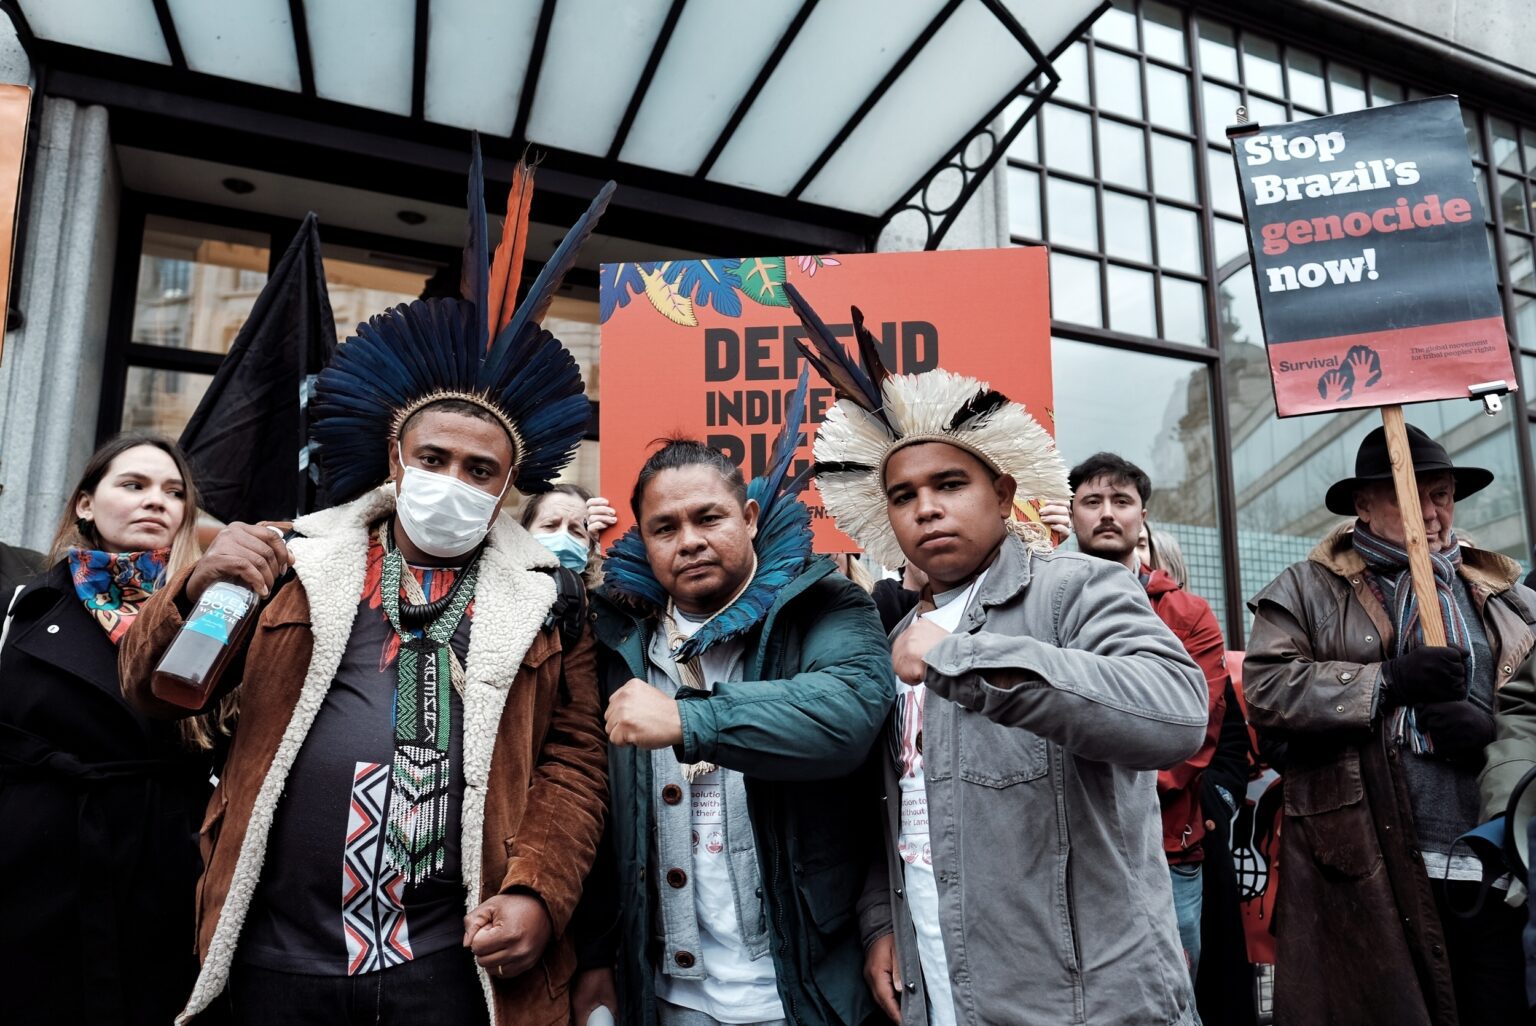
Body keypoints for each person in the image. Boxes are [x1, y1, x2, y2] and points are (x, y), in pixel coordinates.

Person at [116, 153, 615, 1026]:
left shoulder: (551, 599)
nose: (452, 481)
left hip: (452, 966)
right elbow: (152, 694)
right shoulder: (292, 558)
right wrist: (193, 584)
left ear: (508, 487)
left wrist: (540, 894)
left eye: (479, 469)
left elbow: (574, 768)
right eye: (433, 459)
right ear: (395, 458)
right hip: (275, 958)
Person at [783, 284, 1208, 1025]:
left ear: (1003, 491)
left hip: (1088, 1003)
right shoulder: (891, 643)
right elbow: (900, 806)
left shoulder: (1080, 589)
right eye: (904, 494)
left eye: (950, 484)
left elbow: (1174, 715)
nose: (927, 508)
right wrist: (882, 921)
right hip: (939, 987)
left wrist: (964, 658)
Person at [571, 370, 896, 1026]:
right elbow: (600, 818)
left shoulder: (823, 606)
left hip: (798, 991)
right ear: (643, 538)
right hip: (667, 997)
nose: (688, 540)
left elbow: (847, 718)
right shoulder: (614, 636)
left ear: (749, 518)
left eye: (707, 517)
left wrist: (688, 718)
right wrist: (597, 954)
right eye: (665, 528)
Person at [1244, 423, 1536, 1025]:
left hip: (1490, 865)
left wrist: (1491, 736)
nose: (1432, 513)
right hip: (1366, 866)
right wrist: (1389, 682)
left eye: (1443, 495)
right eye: (1411, 494)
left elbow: (1527, 708)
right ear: (1364, 504)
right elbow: (1267, 691)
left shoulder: (1509, 594)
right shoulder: (1306, 589)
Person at [0, 434, 211, 1026]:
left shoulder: (215, 611)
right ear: (86, 505)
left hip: (162, 864)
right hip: (33, 860)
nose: (157, 502)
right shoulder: (20, 603)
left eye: (174, 493)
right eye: (134, 485)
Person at [1067, 453, 1230, 999]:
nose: (1107, 513)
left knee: (1169, 995)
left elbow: (1196, 735)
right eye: (1092, 502)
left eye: (1121, 501)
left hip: (1167, 847)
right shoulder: (1041, 599)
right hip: (1066, 846)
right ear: (1072, 514)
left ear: (1143, 516)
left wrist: (1097, 780)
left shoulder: (1189, 614)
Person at [520, 483, 617, 588]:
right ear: (525, 531)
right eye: (550, 525)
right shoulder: (501, 589)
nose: (563, 538)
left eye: (577, 532)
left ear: (590, 549)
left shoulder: (606, 598)